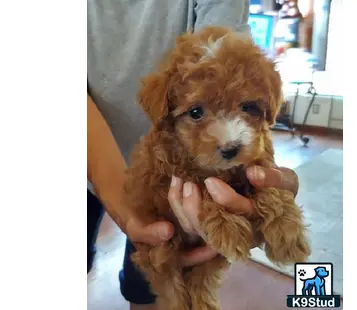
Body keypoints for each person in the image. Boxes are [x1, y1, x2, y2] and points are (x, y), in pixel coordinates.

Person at [87, 1, 300, 309]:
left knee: (147, 287)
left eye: (246, 108)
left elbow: (232, 55)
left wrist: (269, 187)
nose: (228, 137)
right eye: (198, 111)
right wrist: (127, 211)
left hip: (188, 162)